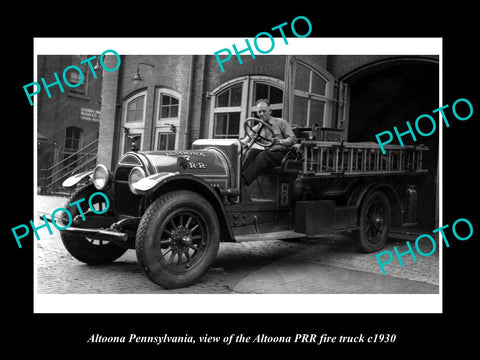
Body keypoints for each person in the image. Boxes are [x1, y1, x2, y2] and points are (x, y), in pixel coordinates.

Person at [240, 99, 296, 186]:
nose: (261, 114)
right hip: (268, 154)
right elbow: (245, 140)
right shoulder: (258, 127)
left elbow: (292, 139)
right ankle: (238, 177)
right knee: (252, 151)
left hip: (282, 155)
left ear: (270, 111)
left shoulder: (281, 122)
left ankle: (244, 181)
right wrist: (248, 141)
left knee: (264, 155)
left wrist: (279, 141)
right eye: (259, 112)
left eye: (264, 111)